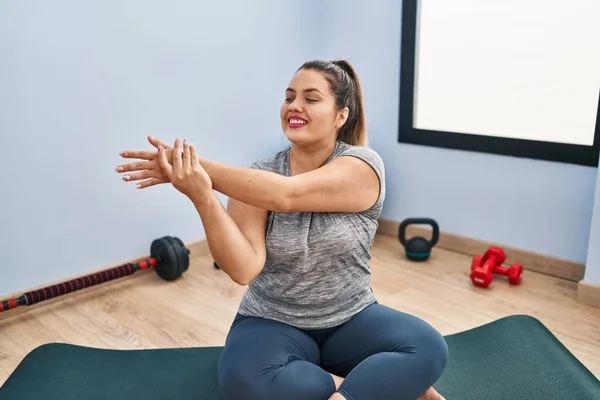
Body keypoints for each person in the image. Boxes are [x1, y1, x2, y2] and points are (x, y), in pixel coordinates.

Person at [115, 60, 448, 400]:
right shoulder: (256, 178)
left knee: (429, 347)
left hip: (352, 318)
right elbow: (243, 269)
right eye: (289, 97)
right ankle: (357, 385)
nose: (294, 106)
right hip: (271, 321)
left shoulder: (362, 165)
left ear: (340, 116)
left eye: (310, 98)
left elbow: (287, 194)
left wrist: (193, 165)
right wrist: (203, 195)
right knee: (244, 381)